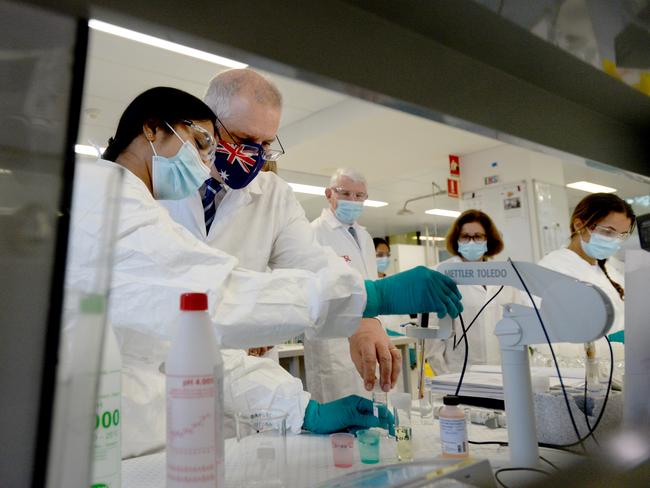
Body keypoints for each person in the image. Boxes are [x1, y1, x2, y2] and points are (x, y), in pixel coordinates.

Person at [67, 87, 463, 456]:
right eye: (207, 144)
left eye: (265, 145)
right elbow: (213, 300)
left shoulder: (152, 201)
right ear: (152, 128)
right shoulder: (106, 199)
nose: (207, 163)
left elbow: (191, 346)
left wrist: (299, 409)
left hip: (155, 427)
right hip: (100, 434)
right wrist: (368, 296)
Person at [160, 70, 407, 395]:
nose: (255, 156)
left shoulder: (274, 195)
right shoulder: (157, 181)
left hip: (245, 378)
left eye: (264, 144)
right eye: (244, 140)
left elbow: (312, 262)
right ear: (206, 125)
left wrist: (363, 317)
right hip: (160, 372)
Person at [307, 168, 384, 402]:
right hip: (333, 343)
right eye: (345, 193)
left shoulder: (365, 237)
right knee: (338, 410)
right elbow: (312, 292)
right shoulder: (313, 232)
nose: (353, 201)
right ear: (329, 193)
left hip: (368, 334)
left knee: (370, 404)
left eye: (359, 196)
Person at [537, 193, 635, 367]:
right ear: (580, 225)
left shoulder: (609, 270)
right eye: (608, 232)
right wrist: (612, 344)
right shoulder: (552, 269)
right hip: (582, 375)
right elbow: (552, 341)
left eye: (621, 236)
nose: (614, 242)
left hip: (619, 368)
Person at [426, 209, 521, 374]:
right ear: (457, 240)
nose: (471, 242)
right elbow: (433, 340)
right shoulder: (442, 275)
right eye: (465, 236)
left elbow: (518, 325)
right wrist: (447, 380)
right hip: (460, 375)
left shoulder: (504, 276)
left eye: (477, 236)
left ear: (488, 240)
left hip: (503, 372)